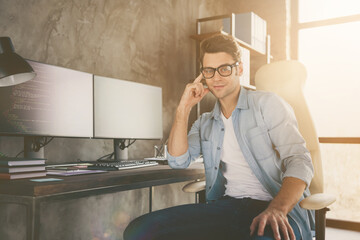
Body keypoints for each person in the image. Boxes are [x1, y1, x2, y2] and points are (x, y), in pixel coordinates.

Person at [124, 34, 314, 240]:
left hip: (276, 209)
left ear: (239, 69)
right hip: (227, 207)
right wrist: (184, 108)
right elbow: (177, 160)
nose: (216, 77)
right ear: (203, 75)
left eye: (224, 68)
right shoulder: (205, 122)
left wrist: (277, 208)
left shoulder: (267, 105)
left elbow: (299, 161)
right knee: (138, 230)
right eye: (209, 71)